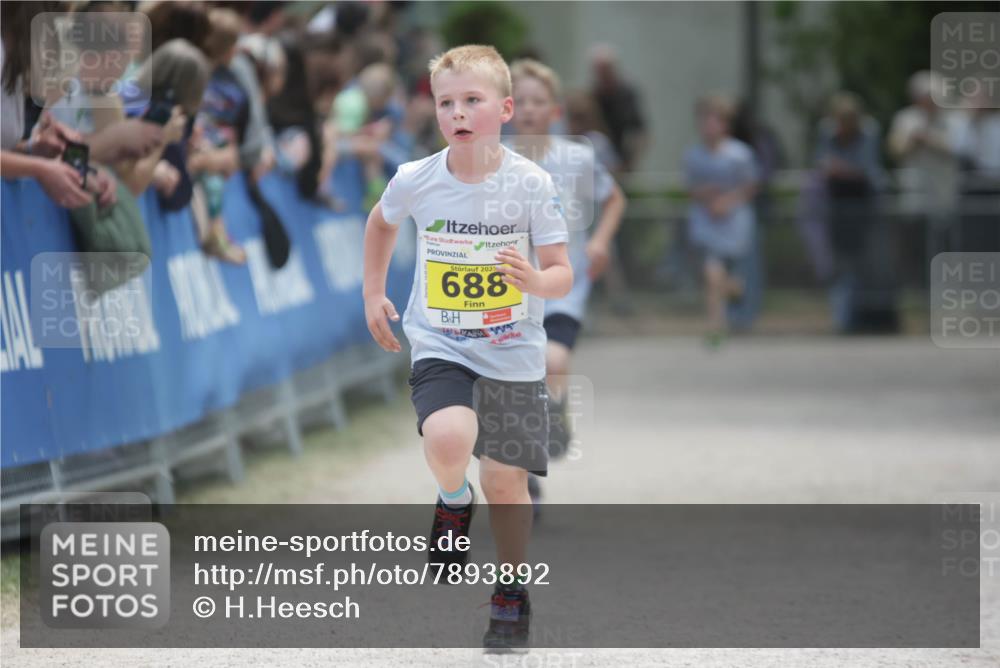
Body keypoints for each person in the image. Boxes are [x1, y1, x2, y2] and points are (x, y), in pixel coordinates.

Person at [362, 45, 571, 651]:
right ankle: (454, 497)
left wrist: (536, 282)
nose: (456, 112)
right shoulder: (416, 178)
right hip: (442, 341)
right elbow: (381, 223)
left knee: (505, 480)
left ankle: (510, 591)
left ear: (504, 109)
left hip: (512, 352)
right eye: (445, 102)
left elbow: (561, 272)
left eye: (471, 100)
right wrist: (373, 292)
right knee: (449, 440)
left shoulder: (531, 184)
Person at [507, 59, 626, 501]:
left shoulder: (576, 158)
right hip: (509, 290)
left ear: (555, 110)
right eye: (520, 101)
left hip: (562, 284)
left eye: (538, 101)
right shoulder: (493, 160)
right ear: (506, 109)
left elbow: (614, 200)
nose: (529, 109)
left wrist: (600, 242)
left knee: (552, 361)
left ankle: (554, 411)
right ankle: (527, 478)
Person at [815, 92, 895, 334]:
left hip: (865, 205)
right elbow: (823, 165)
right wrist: (843, 170)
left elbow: (866, 170)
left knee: (868, 262)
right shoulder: (827, 132)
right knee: (840, 263)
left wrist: (842, 169)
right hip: (838, 206)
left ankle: (866, 317)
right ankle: (843, 318)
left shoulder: (869, 131)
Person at [683, 94, 758, 348]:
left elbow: (750, 186)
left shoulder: (739, 154)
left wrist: (727, 201)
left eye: (714, 121)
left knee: (729, 282)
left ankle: (735, 293)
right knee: (712, 274)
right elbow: (690, 187)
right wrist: (705, 194)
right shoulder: (694, 155)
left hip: (733, 220)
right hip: (707, 220)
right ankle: (715, 326)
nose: (708, 126)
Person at [588, 43, 647, 174]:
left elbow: (640, 132)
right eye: (599, 70)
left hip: (623, 162)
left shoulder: (627, 96)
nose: (602, 74)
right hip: (598, 160)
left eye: (605, 69)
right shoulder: (592, 95)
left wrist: (629, 165)